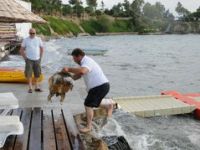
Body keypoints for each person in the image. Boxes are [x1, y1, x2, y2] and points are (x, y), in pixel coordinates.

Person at [62, 48, 114, 133]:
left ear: (79, 56)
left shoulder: (87, 62)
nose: (74, 61)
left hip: (99, 86)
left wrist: (68, 69)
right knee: (94, 102)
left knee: (88, 104)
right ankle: (109, 105)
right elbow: (79, 75)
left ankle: (88, 127)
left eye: (74, 59)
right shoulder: (85, 63)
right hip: (101, 86)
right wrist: (69, 79)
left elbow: (82, 71)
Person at [20, 28, 44, 93]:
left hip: (37, 59)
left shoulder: (38, 39)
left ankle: (36, 87)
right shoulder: (26, 40)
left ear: (35, 33)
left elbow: (42, 48)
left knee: (37, 73)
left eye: (33, 33)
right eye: (31, 33)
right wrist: (25, 58)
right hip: (29, 59)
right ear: (29, 33)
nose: (32, 34)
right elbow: (21, 50)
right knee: (29, 74)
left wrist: (40, 58)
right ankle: (30, 88)